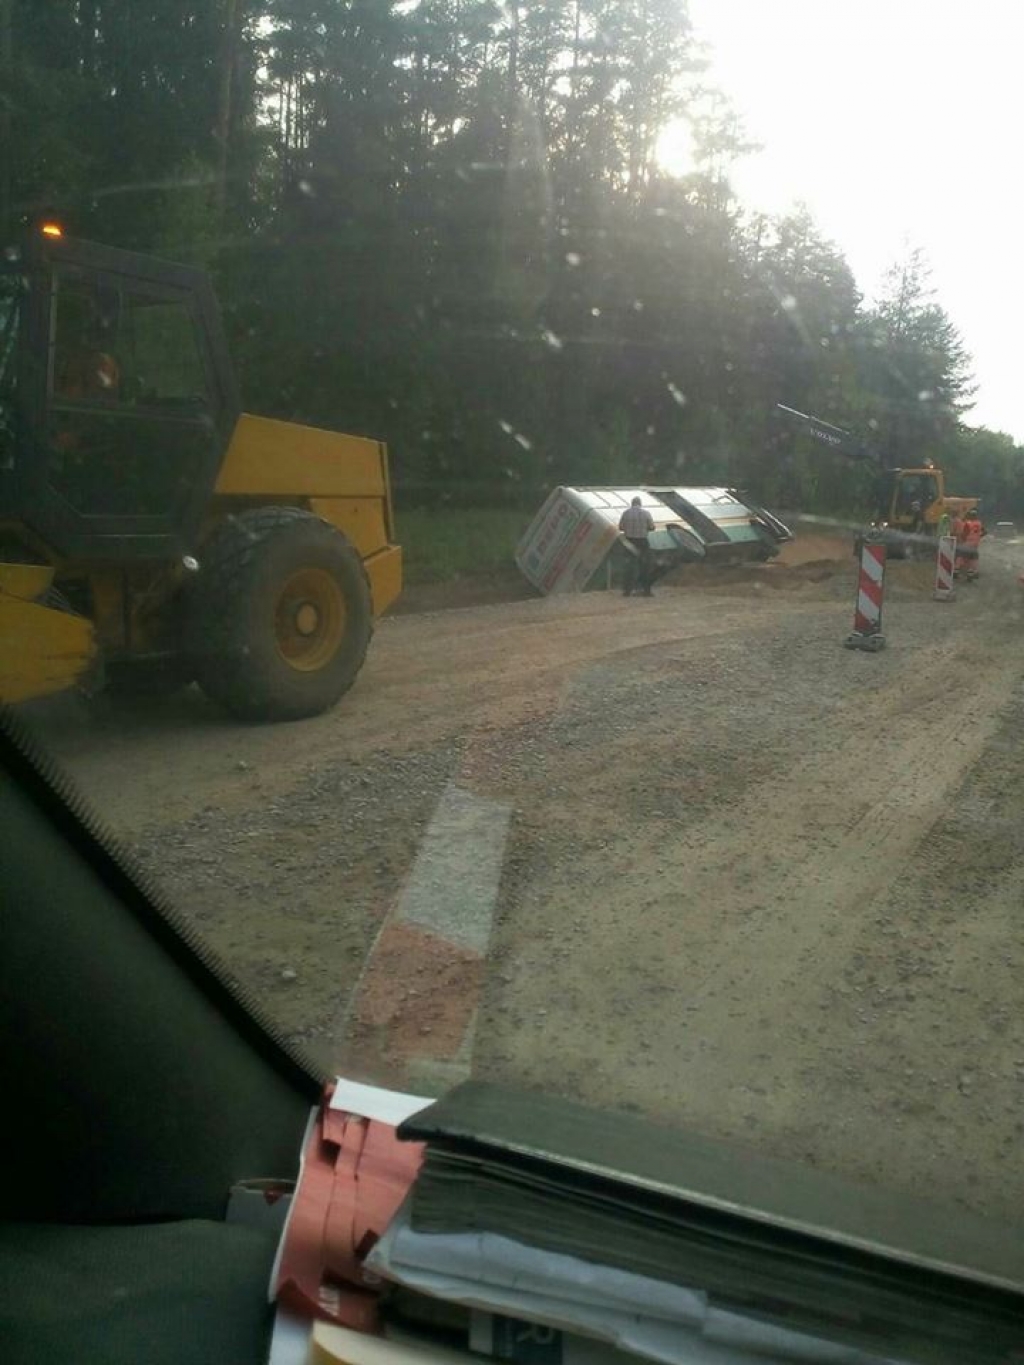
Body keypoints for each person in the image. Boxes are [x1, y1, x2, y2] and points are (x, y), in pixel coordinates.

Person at [618, 496, 656, 597]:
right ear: (640, 503)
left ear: (631, 503)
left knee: (629, 566)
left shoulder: (626, 513)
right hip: (642, 542)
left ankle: (627, 591)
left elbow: (621, 527)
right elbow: (652, 527)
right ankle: (646, 591)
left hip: (629, 542)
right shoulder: (646, 513)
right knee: (645, 566)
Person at [959, 507, 985, 580]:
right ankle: (972, 573)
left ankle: (966, 573)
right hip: (975, 544)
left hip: (967, 543)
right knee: (973, 559)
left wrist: (962, 540)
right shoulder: (979, 523)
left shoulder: (968, 523)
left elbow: (964, 533)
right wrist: (979, 536)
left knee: (965, 559)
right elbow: (984, 532)